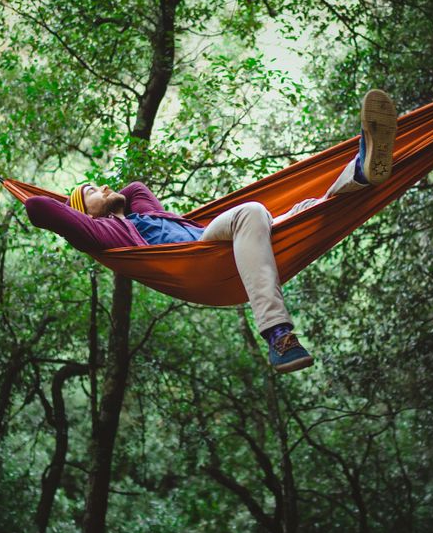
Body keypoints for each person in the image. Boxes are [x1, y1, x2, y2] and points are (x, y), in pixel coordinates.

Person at [25, 90, 397, 374]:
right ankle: (278, 336)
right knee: (251, 211)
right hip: (201, 257)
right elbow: (39, 207)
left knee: (306, 212)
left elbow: (136, 188)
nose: (103, 187)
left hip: (225, 246)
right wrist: (67, 205)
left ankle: (359, 174)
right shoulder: (112, 236)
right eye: (92, 191)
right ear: (86, 219)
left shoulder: (144, 215)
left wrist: (103, 198)